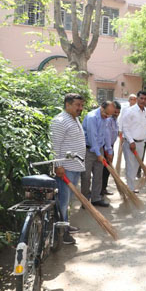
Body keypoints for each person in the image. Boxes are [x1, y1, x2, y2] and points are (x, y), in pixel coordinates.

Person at [50, 93, 86, 245]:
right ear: (68, 105)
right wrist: (58, 165)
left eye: (81, 105)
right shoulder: (60, 121)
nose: (80, 108)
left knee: (68, 200)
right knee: (63, 202)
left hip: (75, 168)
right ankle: (61, 233)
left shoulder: (74, 118)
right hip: (65, 169)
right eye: (78, 105)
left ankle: (65, 224)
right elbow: (54, 146)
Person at [81, 101, 115, 207]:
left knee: (98, 175)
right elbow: (92, 138)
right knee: (86, 177)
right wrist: (98, 154)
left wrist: (109, 151)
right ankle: (85, 200)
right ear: (101, 108)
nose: (107, 117)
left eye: (109, 115)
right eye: (106, 114)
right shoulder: (92, 117)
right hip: (88, 150)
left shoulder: (106, 118)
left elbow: (106, 134)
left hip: (99, 149)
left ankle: (96, 198)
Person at [121, 91, 146, 193]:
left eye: (145, 99)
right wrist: (130, 141)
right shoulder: (129, 111)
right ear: (137, 99)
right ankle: (130, 188)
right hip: (130, 143)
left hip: (141, 143)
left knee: (136, 165)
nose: (143, 100)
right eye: (141, 98)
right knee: (130, 165)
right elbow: (125, 127)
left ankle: (130, 185)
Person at [101, 101, 121, 196]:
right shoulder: (108, 120)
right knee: (104, 169)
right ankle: (101, 189)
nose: (116, 114)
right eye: (115, 112)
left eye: (118, 112)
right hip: (105, 147)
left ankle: (103, 188)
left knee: (107, 170)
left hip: (110, 146)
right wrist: (109, 151)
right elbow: (107, 136)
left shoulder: (115, 120)